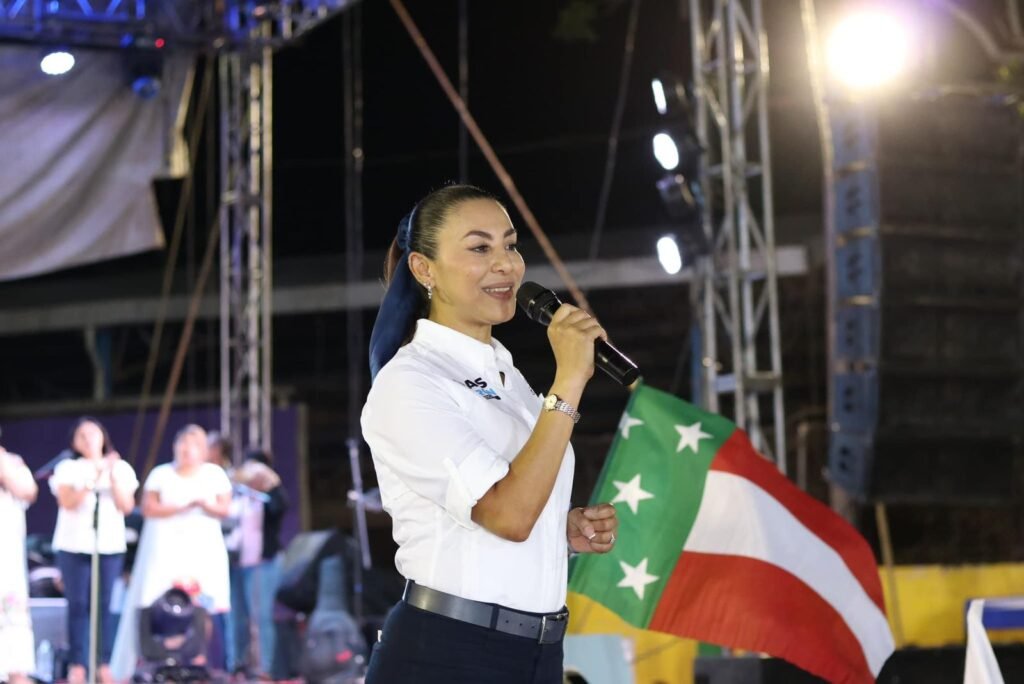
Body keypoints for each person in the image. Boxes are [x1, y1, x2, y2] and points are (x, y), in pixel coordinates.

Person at [360, 184, 620, 683]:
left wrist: (558, 527)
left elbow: (515, 509)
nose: (506, 264)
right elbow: (508, 515)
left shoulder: (507, 376)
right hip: (449, 654)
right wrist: (568, 382)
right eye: (480, 248)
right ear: (424, 269)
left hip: (539, 653)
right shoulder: (410, 381)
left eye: (511, 245)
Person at [110, 424, 232, 681]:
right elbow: (148, 508)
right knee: (155, 602)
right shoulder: (161, 474)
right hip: (164, 548)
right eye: (182, 443)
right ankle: (153, 661)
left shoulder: (214, 475)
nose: (187, 450)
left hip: (201, 548)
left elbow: (224, 509)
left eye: (194, 445)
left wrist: (203, 504)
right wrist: (181, 506)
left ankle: (198, 660)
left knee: (200, 604)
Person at [50, 418, 139, 684]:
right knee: (78, 605)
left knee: (104, 605)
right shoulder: (68, 468)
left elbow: (127, 506)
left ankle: (104, 662)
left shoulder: (120, 468)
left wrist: (110, 475)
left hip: (109, 545)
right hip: (74, 545)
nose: (88, 438)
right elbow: (67, 501)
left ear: (103, 436)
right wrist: (94, 476)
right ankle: (78, 663)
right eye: (82, 434)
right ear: (74, 442)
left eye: (93, 433)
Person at [228, 449, 289, 679]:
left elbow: (280, 507)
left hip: (264, 563)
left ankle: (265, 668)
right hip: (237, 564)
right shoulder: (238, 495)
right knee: (236, 617)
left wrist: (271, 485)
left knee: (261, 616)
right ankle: (237, 665)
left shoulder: (271, 497)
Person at [0, 439, 39, 684]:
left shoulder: (13, 462)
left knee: (11, 612)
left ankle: (16, 671)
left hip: (7, 554)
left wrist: (3, 464)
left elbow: (29, 492)